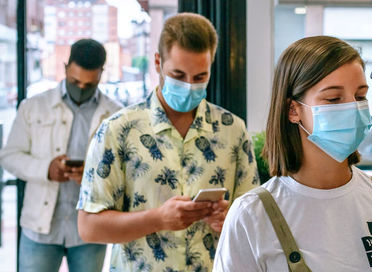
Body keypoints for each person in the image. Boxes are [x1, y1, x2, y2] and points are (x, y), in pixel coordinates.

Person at [213, 36, 372, 272]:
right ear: (293, 110)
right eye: (333, 99)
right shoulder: (251, 214)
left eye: (360, 97)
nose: (352, 108)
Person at [76, 13, 259, 271]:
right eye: (178, 75)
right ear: (158, 62)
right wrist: (158, 219)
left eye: (199, 78)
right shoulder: (118, 130)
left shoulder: (233, 130)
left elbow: (255, 222)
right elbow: (89, 227)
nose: (188, 86)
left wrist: (230, 219)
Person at [0, 38, 122, 272]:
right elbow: (9, 156)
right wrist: (46, 169)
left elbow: (124, 171)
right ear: (66, 68)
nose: (81, 89)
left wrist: (93, 173)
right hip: (40, 230)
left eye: (89, 84)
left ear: (101, 74)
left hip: (89, 232)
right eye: (75, 81)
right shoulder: (33, 106)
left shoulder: (115, 114)